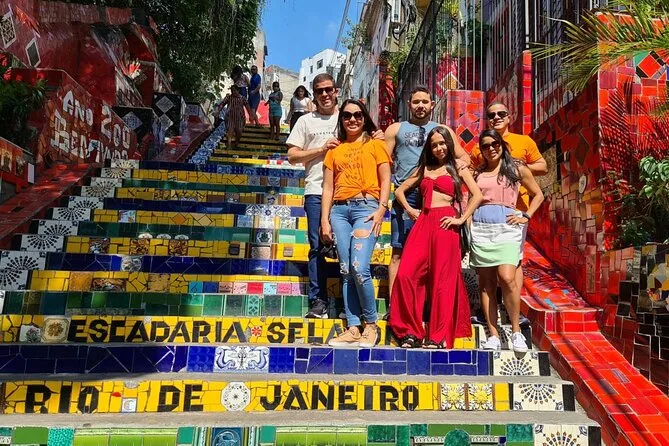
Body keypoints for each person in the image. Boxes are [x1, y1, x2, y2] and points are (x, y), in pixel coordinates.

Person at [286, 73, 384, 319]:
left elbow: (372, 138)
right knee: (318, 246)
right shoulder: (306, 121)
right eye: (319, 91)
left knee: (348, 252)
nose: (325, 94)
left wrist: (379, 136)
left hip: (349, 196)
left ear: (336, 90)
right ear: (314, 94)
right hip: (317, 190)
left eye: (328, 89)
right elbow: (292, 156)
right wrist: (321, 149)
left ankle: (347, 305)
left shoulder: (350, 115)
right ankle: (319, 301)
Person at [389, 127, 482, 349]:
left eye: (442, 143)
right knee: (406, 274)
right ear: (429, 148)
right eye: (434, 145)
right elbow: (399, 191)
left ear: (449, 144)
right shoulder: (424, 168)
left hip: (446, 224)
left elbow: (477, 195)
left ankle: (438, 336)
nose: (439, 148)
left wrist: (461, 219)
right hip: (423, 222)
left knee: (442, 281)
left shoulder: (457, 167)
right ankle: (410, 332)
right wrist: (410, 210)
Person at [383, 86, 470, 319]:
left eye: (425, 101)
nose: (420, 105)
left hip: (437, 197)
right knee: (399, 252)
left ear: (432, 104)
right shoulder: (395, 129)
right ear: (409, 105)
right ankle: (395, 307)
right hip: (408, 195)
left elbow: (464, 157)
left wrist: (461, 166)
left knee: (433, 256)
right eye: (416, 102)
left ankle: (430, 308)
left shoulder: (443, 131)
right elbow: (382, 161)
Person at [321, 99, 391, 347]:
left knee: (359, 268)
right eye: (347, 115)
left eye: (358, 115)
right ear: (341, 119)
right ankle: (352, 327)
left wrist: (382, 208)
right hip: (339, 212)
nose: (352, 119)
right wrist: (324, 220)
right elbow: (327, 187)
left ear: (364, 118)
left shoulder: (376, 144)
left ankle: (371, 325)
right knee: (345, 270)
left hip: (366, 208)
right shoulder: (334, 150)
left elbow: (386, 178)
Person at [469, 102, 548, 325]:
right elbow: (474, 175)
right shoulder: (478, 148)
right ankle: (491, 312)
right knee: (490, 273)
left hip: (516, 210)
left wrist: (516, 166)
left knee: (513, 266)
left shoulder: (524, 141)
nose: (496, 117)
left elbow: (543, 167)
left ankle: (514, 309)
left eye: (501, 113)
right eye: (491, 114)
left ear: (509, 116)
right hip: (486, 217)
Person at [221, 85, 252, 150]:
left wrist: (250, 115)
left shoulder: (243, 98)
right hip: (230, 117)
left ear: (238, 91)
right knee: (230, 131)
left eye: (234, 90)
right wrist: (218, 112)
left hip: (240, 118)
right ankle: (229, 145)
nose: (233, 92)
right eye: (232, 90)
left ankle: (236, 142)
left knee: (239, 131)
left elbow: (247, 107)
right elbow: (222, 104)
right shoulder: (229, 98)